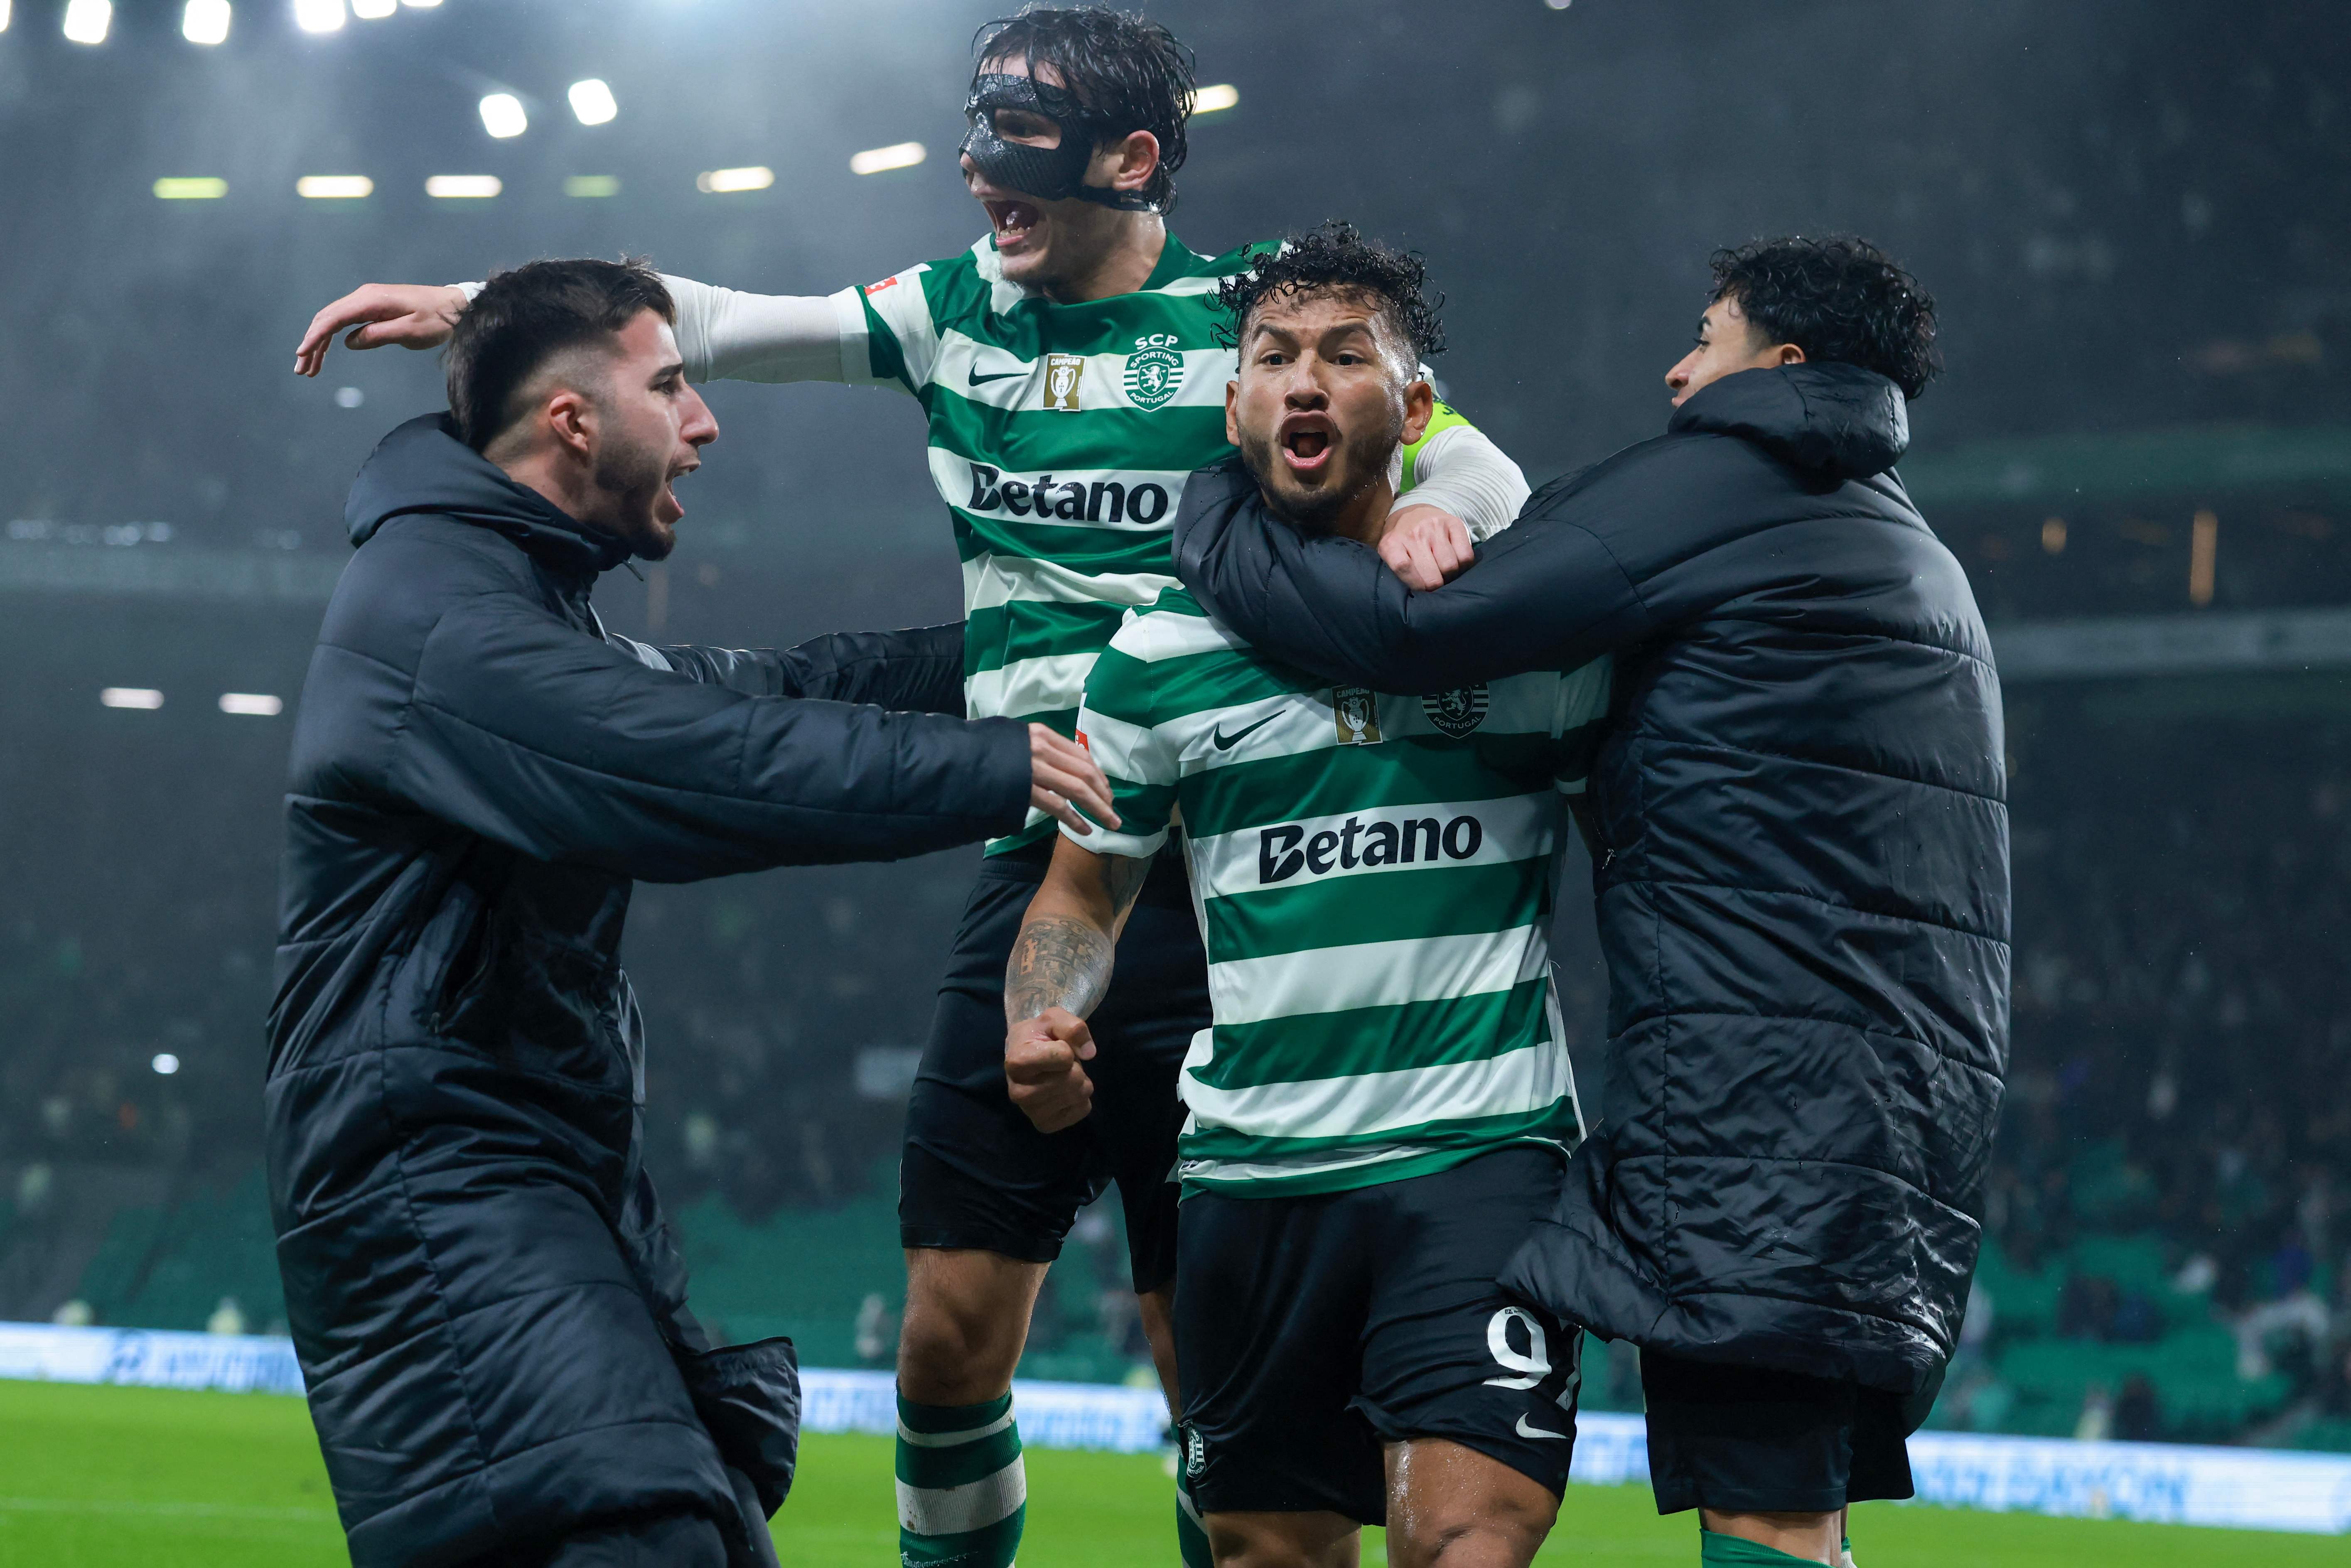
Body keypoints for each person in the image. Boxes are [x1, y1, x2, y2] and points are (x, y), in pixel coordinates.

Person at [288, 11, 1533, 1566]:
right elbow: (729, 319)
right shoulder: (949, 310)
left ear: (1135, 158)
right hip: (1043, 855)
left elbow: (1463, 448)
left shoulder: (1255, 316)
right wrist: (484, 306)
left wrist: (1448, 523)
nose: (977, 174)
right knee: (944, 1342)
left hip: (1233, 875)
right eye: (977, 130)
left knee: (1198, 1367)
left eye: (1021, 140)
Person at [1175, 236, 2011, 1568]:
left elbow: (1414, 634)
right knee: (1788, 1491)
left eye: (1710, 335)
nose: (1678, 366)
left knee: (1764, 1499)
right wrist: (1430, 481)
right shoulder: (1894, 537)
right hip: (1888, 1085)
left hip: (1764, 1086)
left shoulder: (1724, 483)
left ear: (1782, 365)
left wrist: (1210, 517)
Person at [266, 258, 1116, 1568]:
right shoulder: (442, 625)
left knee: (697, 1533)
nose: (706, 421)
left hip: (530, 1162)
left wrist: (1032, 649)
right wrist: (1007, 767)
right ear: (571, 423)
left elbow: (773, 692)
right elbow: (703, 767)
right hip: (426, 1180)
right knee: (637, 1541)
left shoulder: (522, 606)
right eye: (671, 386)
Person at [1002, 225, 1609, 1568]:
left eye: (1346, 355)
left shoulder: (1517, 629)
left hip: (1476, 1153)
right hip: (1254, 1168)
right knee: (1268, 1555)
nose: (1303, 382)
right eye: (1271, 357)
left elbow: (1635, 830)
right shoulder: (1157, 653)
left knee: (1467, 1543)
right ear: (1234, 407)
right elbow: (1078, 900)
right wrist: (1040, 1014)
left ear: (1411, 403)